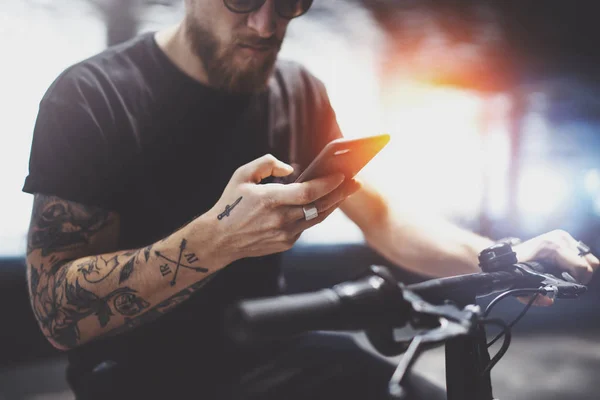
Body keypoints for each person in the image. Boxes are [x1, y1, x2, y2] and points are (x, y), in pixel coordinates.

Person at [22, 1, 599, 399]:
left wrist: (507, 254)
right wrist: (215, 241)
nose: (267, 23)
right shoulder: (90, 97)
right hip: (136, 378)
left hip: (265, 353)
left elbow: (385, 218)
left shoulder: (295, 89)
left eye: (289, 2)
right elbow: (55, 312)